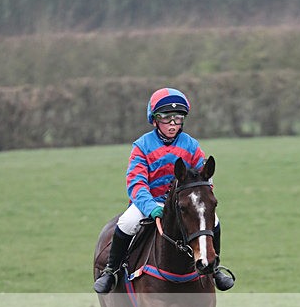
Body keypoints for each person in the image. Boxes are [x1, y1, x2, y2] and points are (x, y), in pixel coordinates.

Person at [94, 87, 235, 293]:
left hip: (184, 203)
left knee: (214, 221)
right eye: (166, 118)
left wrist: (202, 196)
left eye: (177, 118)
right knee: (126, 222)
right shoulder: (142, 146)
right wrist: (150, 207)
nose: (172, 124)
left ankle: (213, 270)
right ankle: (111, 272)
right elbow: (136, 183)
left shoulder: (191, 146)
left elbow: (204, 177)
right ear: (154, 120)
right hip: (150, 203)